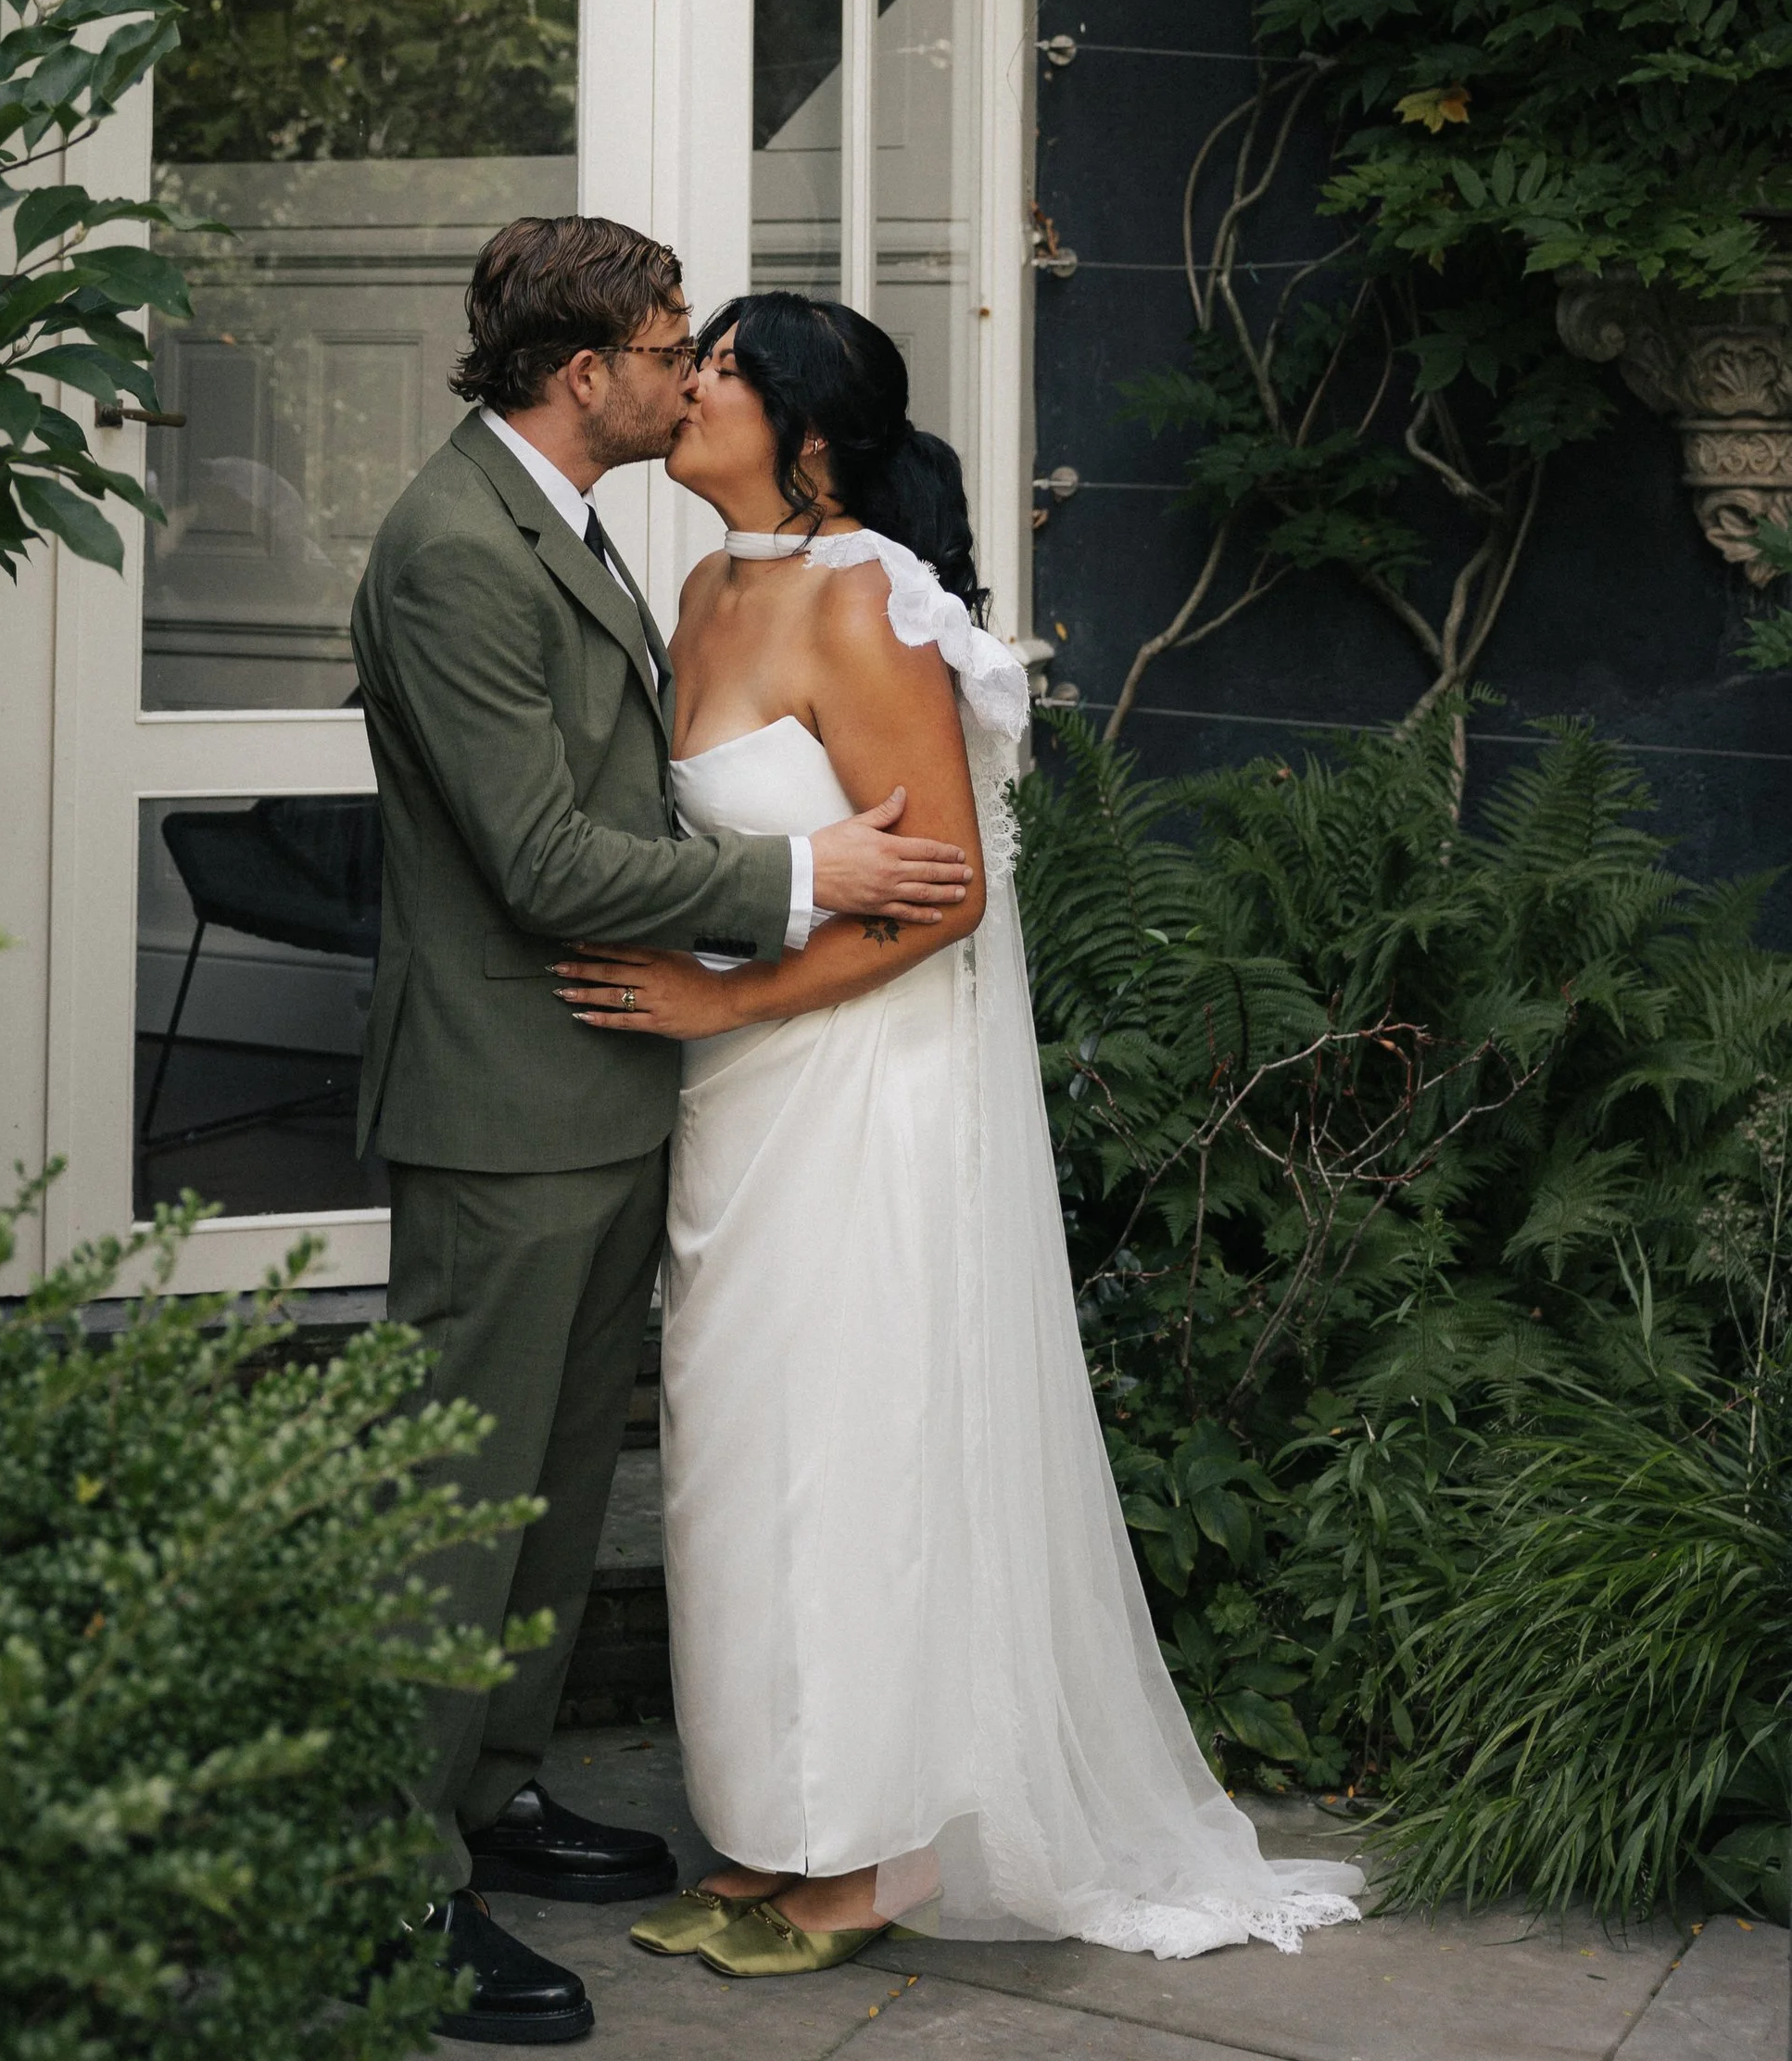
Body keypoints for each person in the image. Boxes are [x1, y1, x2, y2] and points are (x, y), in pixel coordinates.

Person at [550, 294, 1366, 1979]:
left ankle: (871, 1861)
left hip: (858, 1085)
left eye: (717, 368)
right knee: (740, 1463)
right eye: (684, 356)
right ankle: (775, 1840)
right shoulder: (708, 587)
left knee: (855, 1454)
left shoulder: (863, 606)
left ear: (808, 429)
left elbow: (948, 899)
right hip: (743, 1111)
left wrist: (720, 1007)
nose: (684, 385)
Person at [348, 222, 976, 2045]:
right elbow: (542, 857)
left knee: (540, 1491)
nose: (684, 369)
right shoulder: (455, 546)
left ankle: (494, 1788)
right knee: (452, 1502)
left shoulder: (580, 526)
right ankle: (395, 1878)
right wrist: (806, 872)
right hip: (499, 1099)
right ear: (582, 375)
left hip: (613, 1084)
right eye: (661, 345)